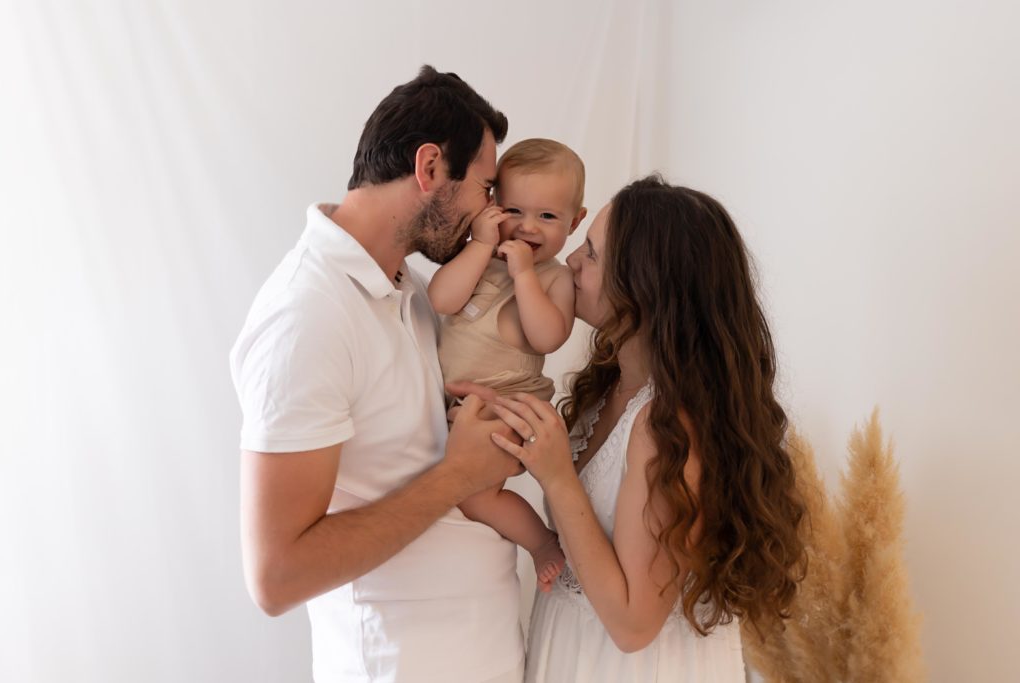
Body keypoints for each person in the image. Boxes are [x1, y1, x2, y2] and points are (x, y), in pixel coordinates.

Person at [229, 66, 530, 683]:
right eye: (485, 186)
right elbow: (276, 576)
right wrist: (459, 476)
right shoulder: (306, 315)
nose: (491, 210)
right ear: (429, 169)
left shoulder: (413, 290)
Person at [451, 175, 807, 682]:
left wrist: (557, 476)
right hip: (574, 651)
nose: (571, 260)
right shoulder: (608, 390)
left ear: (646, 285)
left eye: (593, 254)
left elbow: (634, 624)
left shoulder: (669, 425)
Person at [428, 138, 587, 591]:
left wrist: (523, 276)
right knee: (451, 491)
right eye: (514, 210)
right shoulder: (479, 258)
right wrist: (480, 246)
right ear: (493, 205)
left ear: (575, 221)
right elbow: (442, 299)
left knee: (477, 497)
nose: (527, 228)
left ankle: (541, 544)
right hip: (462, 408)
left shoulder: (556, 278)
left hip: (510, 407)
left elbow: (548, 336)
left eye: (548, 216)